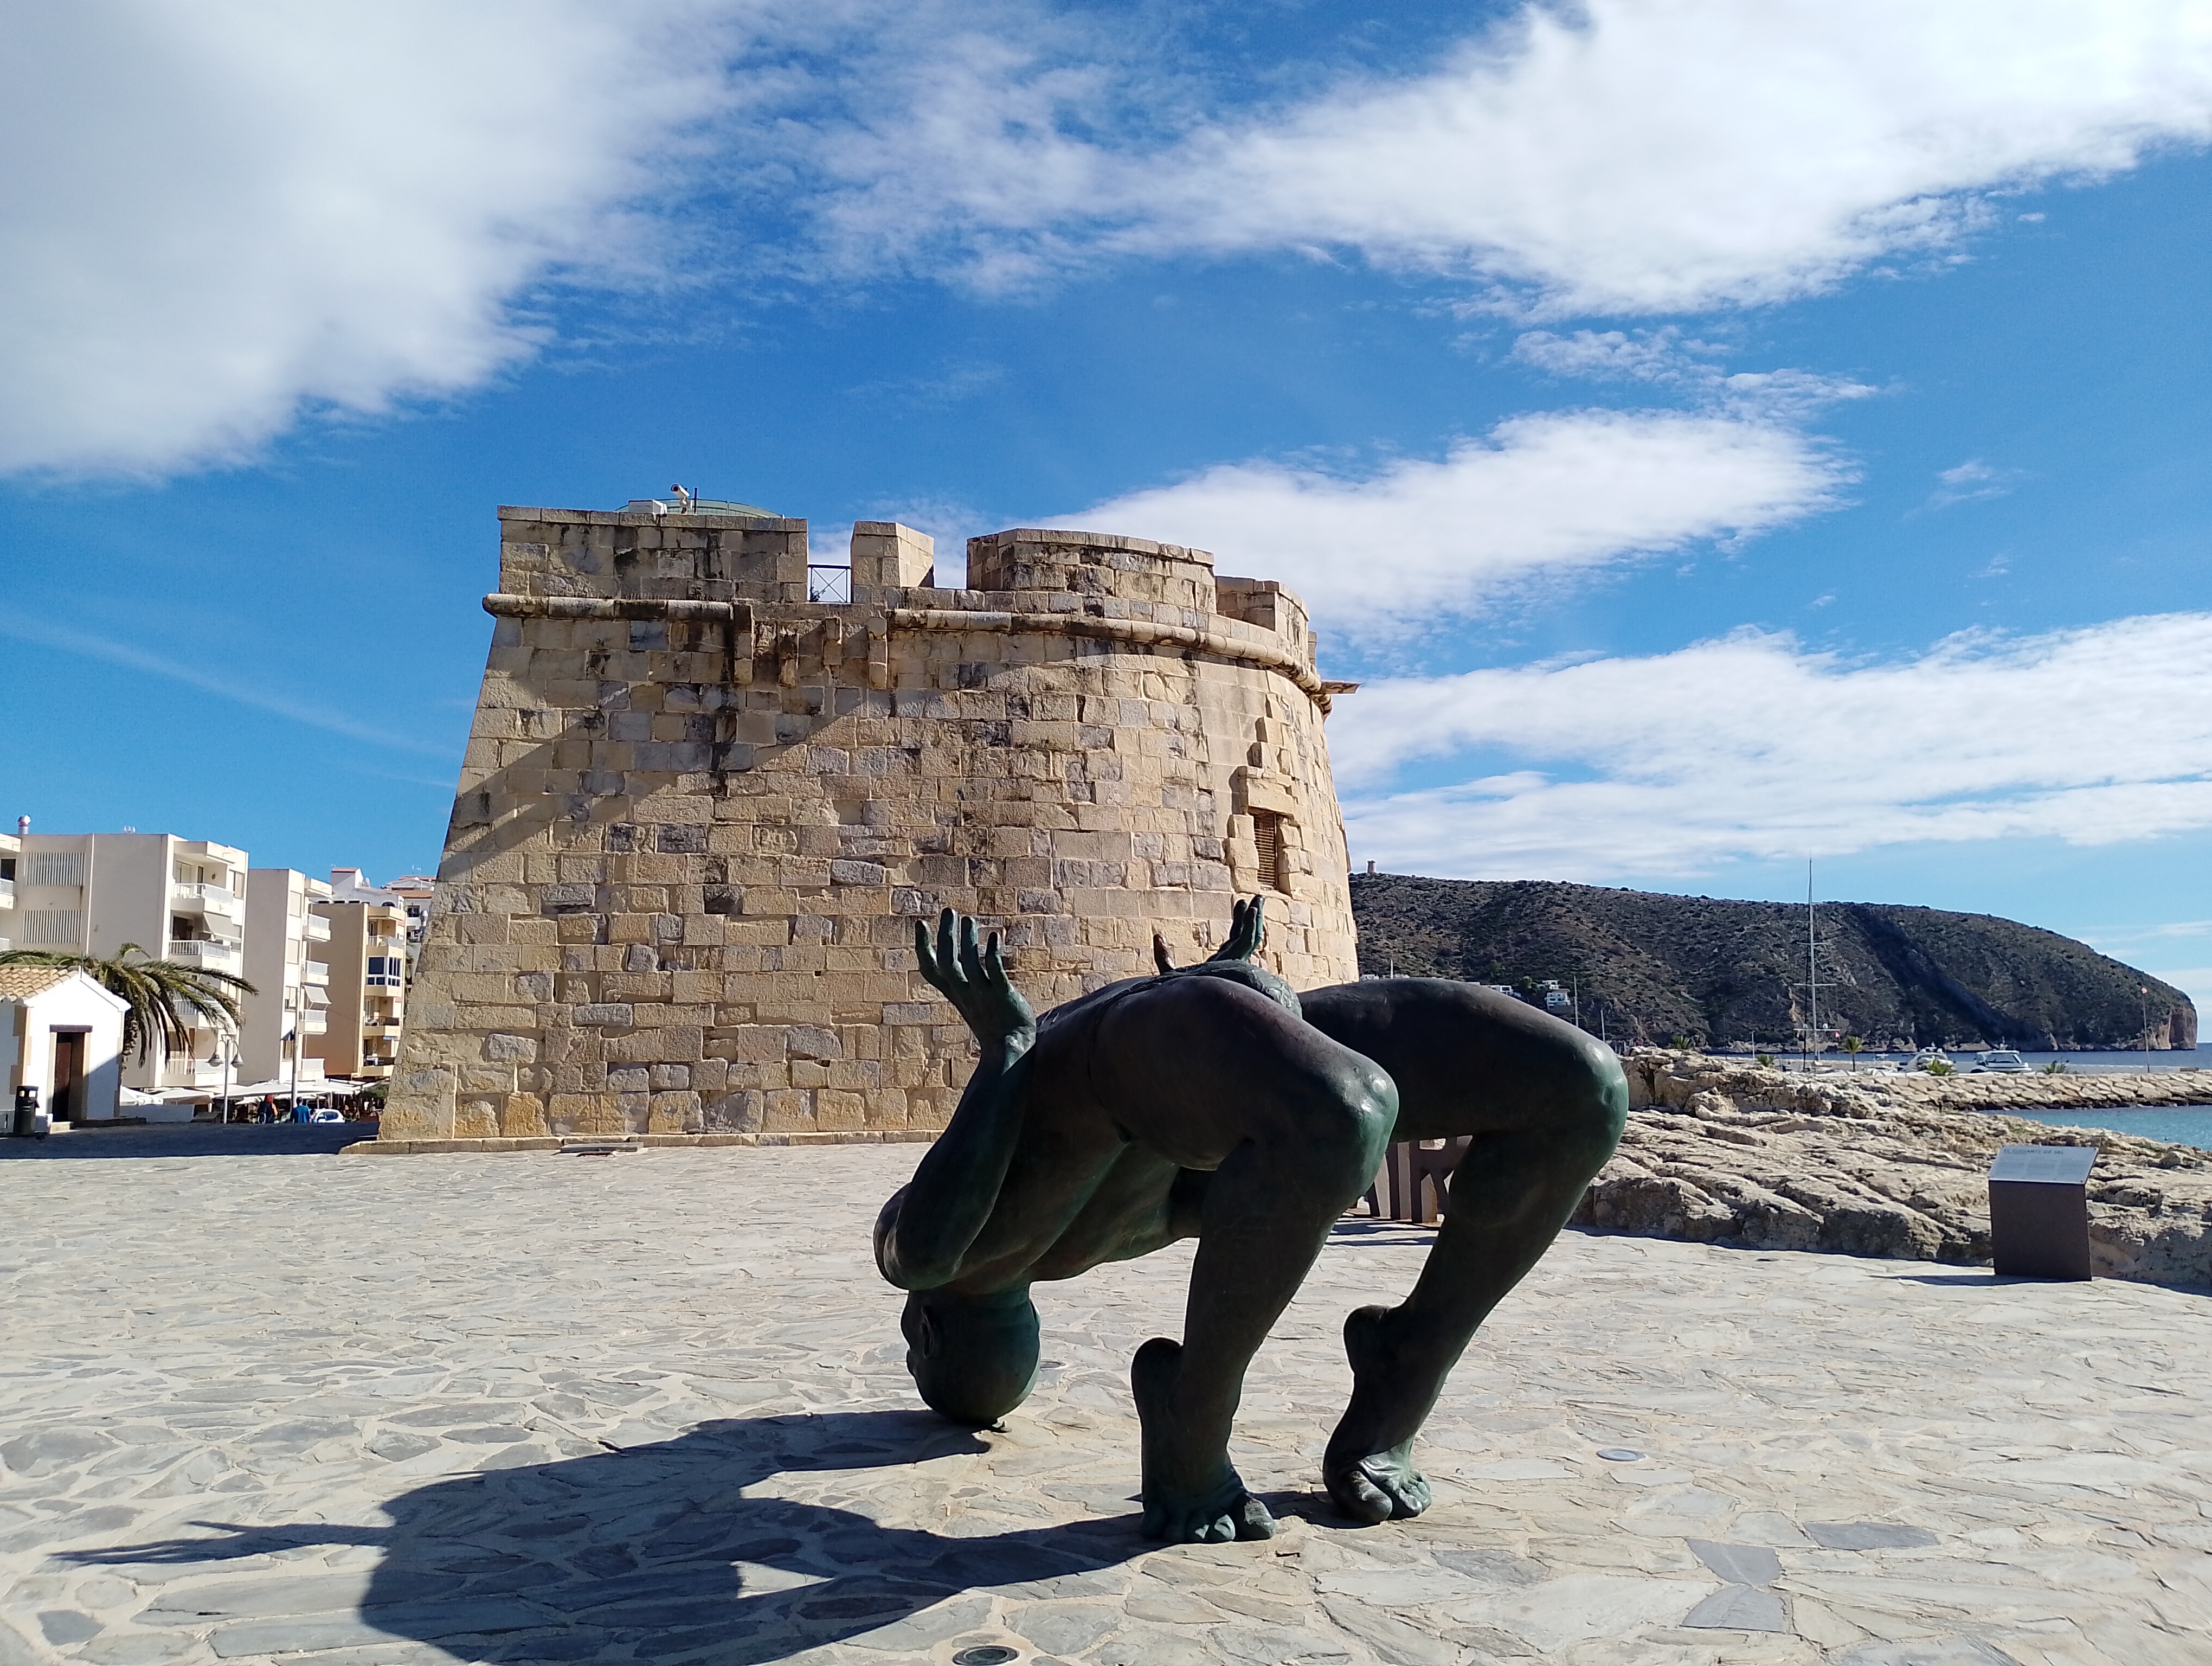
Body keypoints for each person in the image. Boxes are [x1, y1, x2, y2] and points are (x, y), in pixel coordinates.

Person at [874, 899, 1626, 1544]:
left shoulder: (937, 1258)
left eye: (917, 1361)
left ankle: (1191, 1411)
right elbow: (1260, 1199)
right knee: (1578, 1092)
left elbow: (925, 1248)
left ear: (927, 1332)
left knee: (1357, 1112)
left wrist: (1005, 1049)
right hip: (1193, 1046)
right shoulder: (1107, 1236)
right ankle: (1409, 1358)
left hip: (1133, 1051)